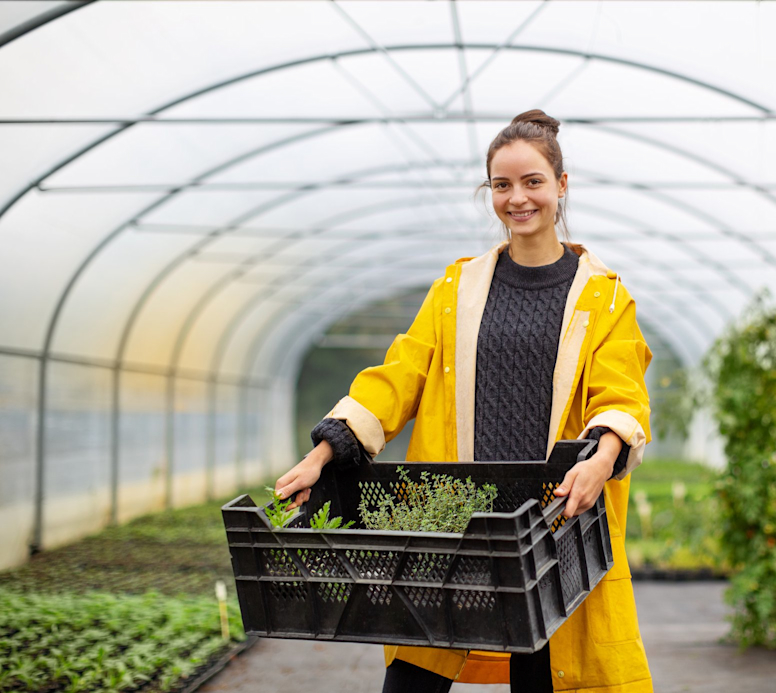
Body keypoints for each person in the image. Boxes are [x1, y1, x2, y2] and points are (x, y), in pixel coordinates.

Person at [274, 110, 654, 693]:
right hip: (454, 519)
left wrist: (602, 460)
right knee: (413, 676)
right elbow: (397, 377)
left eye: (532, 182)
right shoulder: (458, 288)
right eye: (502, 185)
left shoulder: (603, 296)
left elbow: (620, 392)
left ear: (561, 185)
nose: (517, 198)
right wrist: (323, 454)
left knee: (545, 672)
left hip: (550, 523)